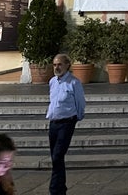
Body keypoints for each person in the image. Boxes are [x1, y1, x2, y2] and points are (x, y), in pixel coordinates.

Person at [46, 54, 86, 195]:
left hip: (67, 123)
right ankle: (60, 189)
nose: (56, 67)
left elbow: (80, 102)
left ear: (67, 65)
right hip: (53, 123)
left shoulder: (74, 83)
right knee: (56, 158)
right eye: (54, 65)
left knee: (57, 155)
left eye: (59, 64)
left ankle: (54, 189)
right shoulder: (52, 82)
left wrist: (77, 117)